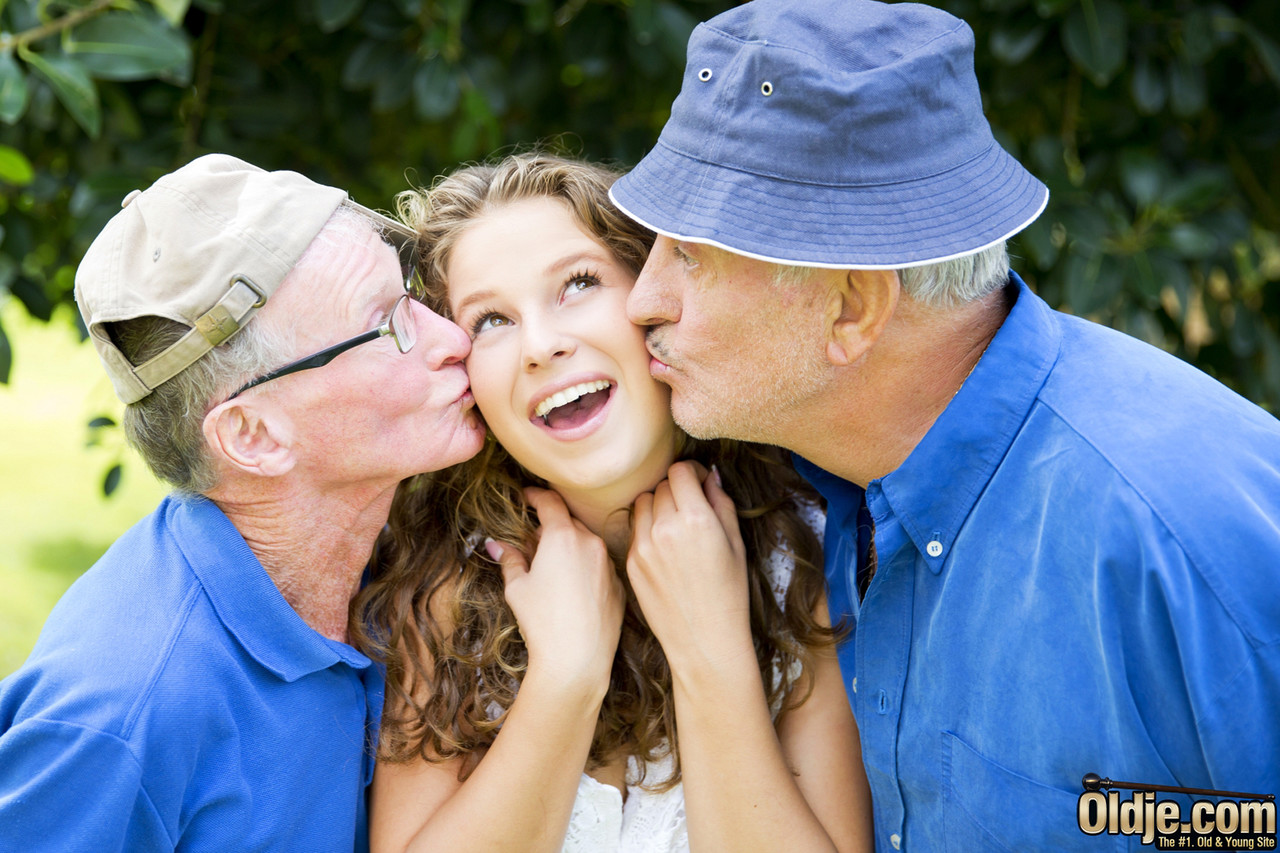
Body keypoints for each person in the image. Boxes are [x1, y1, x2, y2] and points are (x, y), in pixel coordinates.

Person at [608, 0, 1280, 849]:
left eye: (692, 256)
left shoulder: (1184, 538)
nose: (643, 299)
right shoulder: (813, 492)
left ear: (852, 309)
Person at [351, 152, 873, 853]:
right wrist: (563, 680)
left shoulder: (805, 547)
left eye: (577, 284)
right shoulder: (442, 585)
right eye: (491, 322)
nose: (541, 345)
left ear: (653, 298)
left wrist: (710, 653)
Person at [0, 154, 484, 852]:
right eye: (387, 326)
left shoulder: (417, 555)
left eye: (410, 294)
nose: (452, 338)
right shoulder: (122, 716)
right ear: (253, 435)